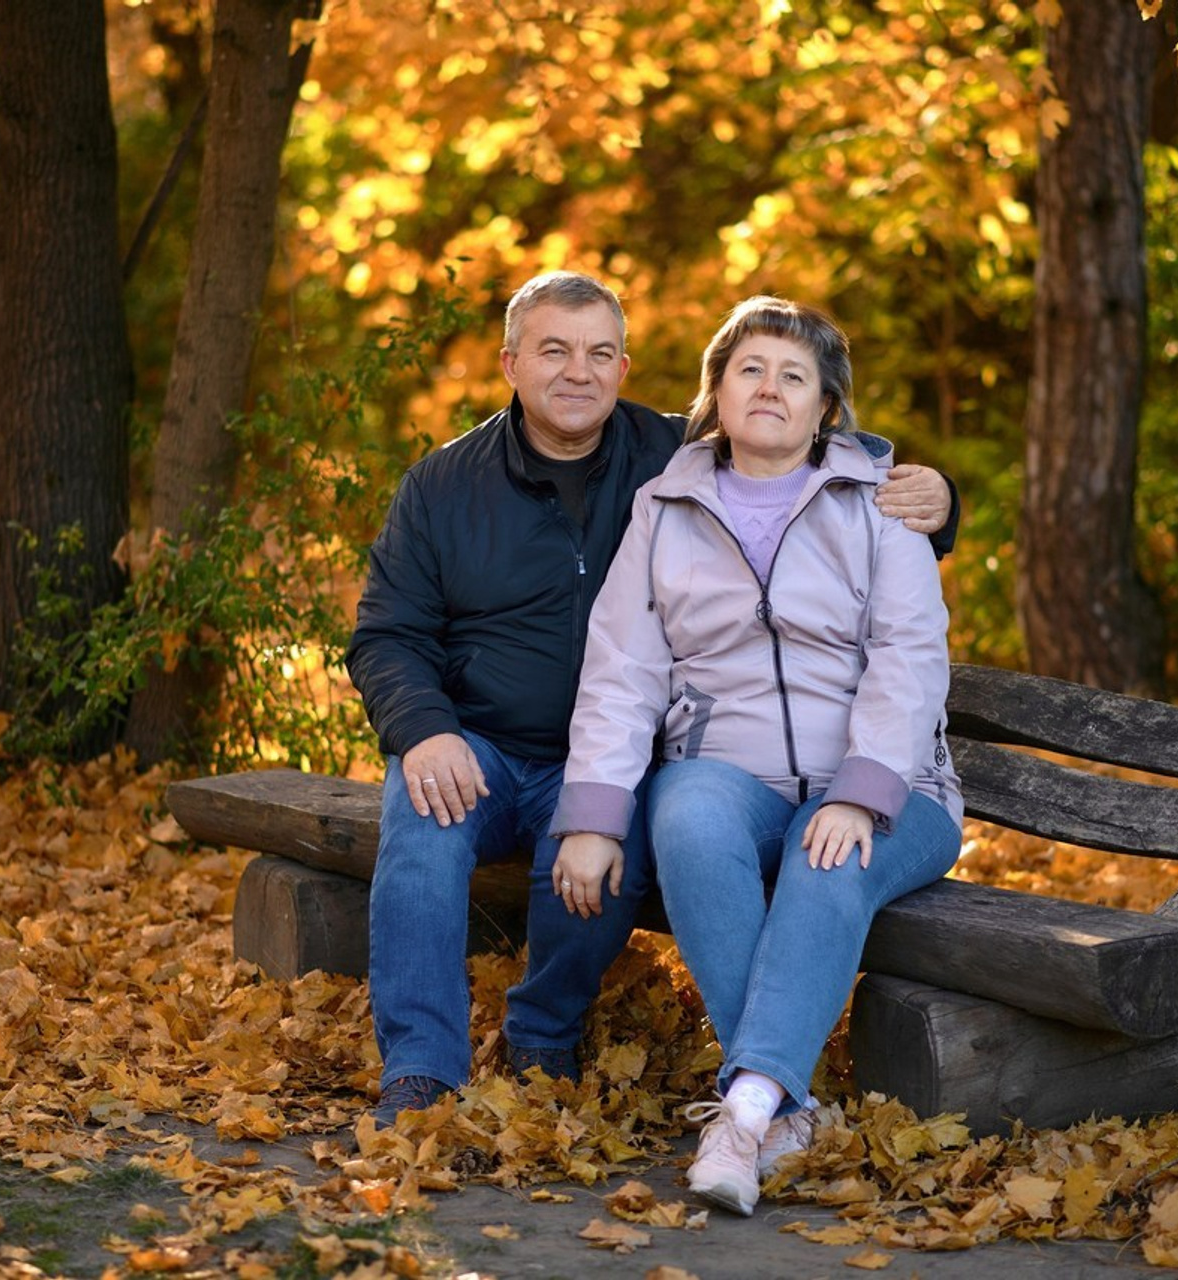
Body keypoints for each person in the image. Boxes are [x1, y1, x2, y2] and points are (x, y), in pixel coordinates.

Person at [346, 273, 956, 1127]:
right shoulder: (445, 487)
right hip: (477, 742)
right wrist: (422, 730)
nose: (577, 372)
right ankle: (420, 1072)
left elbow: (801, 433)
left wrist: (938, 498)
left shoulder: (663, 454)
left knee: (621, 831)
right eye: (553, 350)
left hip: (597, 761)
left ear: (626, 366)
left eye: (600, 353)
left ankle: (549, 1039)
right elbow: (387, 636)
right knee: (423, 824)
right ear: (511, 362)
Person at [549, 295, 963, 1215]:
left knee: (830, 846)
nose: (769, 387)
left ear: (825, 410)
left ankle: (743, 1111)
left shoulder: (881, 503)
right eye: (750, 370)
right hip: (734, 781)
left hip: (898, 792)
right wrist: (591, 818)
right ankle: (788, 1107)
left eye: (794, 376)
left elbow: (908, 658)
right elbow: (622, 673)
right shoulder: (664, 509)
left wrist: (861, 793)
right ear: (716, 394)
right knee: (685, 809)